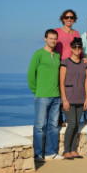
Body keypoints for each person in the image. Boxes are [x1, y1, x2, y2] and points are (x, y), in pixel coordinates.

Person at [27, 29, 64, 161]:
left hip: (56, 96)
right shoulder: (38, 54)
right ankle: (38, 154)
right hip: (42, 96)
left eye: (55, 39)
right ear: (45, 39)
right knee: (39, 126)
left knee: (53, 126)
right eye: (50, 38)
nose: (53, 41)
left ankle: (50, 153)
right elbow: (31, 75)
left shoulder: (58, 55)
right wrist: (36, 91)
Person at [59, 38, 87, 160]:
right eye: (75, 47)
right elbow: (61, 82)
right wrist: (64, 99)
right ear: (71, 48)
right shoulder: (65, 62)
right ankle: (67, 151)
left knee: (76, 124)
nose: (77, 49)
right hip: (69, 98)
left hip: (81, 97)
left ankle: (73, 150)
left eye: (79, 47)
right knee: (71, 123)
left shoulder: (85, 64)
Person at [55, 9, 83, 127]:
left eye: (71, 17)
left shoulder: (76, 33)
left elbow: (78, 47)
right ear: (63, 19)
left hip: (73, 65)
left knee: (70, 90)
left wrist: (83, 58)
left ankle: (68, 117)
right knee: (58, 89)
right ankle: (59, 117)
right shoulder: (57, 32)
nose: (69, 19)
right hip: (60, 64)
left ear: (74, 19)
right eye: (67, 17)